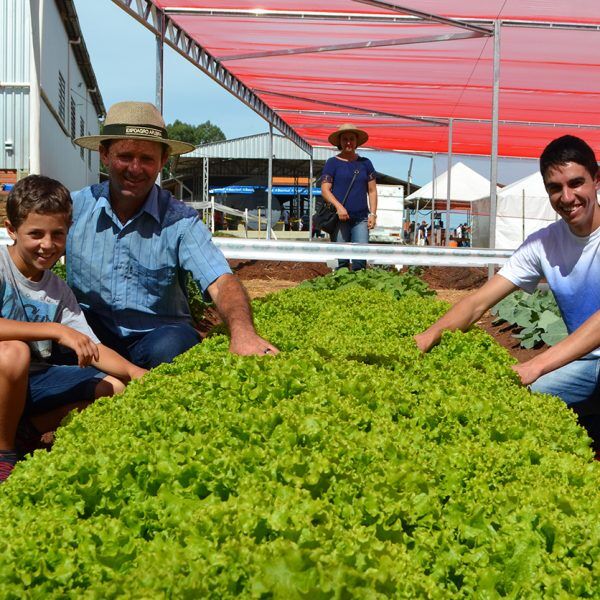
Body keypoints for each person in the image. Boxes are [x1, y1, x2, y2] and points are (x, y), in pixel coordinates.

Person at [70, 101, 278, 369]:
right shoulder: (75, 208)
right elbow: (28, 260)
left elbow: (220, 281)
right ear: (104, 154)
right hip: (92, 336)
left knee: (174, 346)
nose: (135, 168)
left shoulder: (180, 221)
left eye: (146, 159)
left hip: (155, 337)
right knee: (57, 336)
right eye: (125, 156)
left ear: (162, 162)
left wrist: (244, 334)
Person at [415, 134, 600, 409]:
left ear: (596, 178)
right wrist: (429, 335)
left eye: (576, 183)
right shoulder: (543, 244)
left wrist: (536, 365)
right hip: (584, 362)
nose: (567, 197)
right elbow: (478, 303)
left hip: (580, 359)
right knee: (516, 399)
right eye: (555, 188)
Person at [0, 175, 146, 481]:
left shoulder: (57, 289)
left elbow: (92, 348)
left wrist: (134, 373)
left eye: (58, 234)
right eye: (36, 234)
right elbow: (53, 336)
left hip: (31, 383)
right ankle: (4, 454)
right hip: (5, 372)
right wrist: (55, 330)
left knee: (113, 387)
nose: (48, 244)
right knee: (12, 353)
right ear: (12, 230)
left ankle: (28, 431)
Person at [321, 124, 377, 271]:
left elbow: (372, 190)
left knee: (360, 260)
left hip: (361, 218)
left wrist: (373, 214)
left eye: (351, 139)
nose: (348, 142)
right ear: (339, 142)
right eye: (345, 139)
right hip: (340, 219)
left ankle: (360, 290)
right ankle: (341, 290)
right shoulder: (332, 163)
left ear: (356, 141)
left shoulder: (366, 163)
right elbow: (325, 190)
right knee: (342, 261)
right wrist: (339, 207)